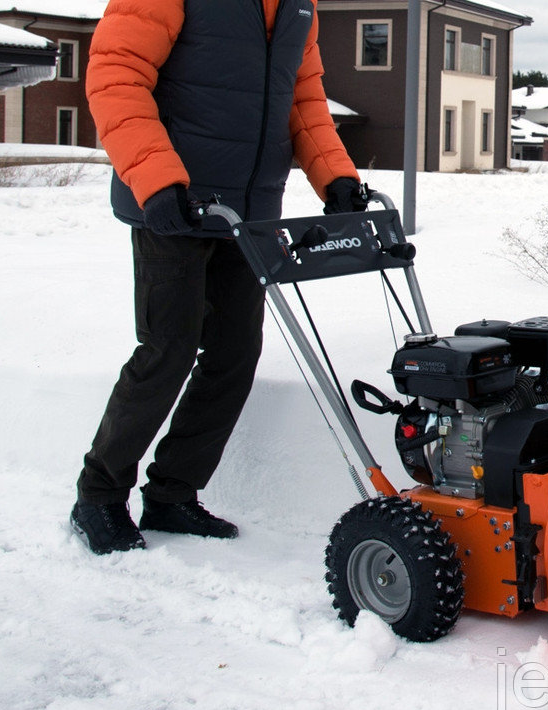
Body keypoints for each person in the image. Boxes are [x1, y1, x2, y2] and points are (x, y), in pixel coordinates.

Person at [70, 0, 368, 554]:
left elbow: (302, 101)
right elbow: (116, 78)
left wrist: (336, 177)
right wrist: (157, 181)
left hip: (247, 213)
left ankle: (172, 494)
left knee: (234, 355)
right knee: (169, 349)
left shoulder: (299, 5)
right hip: (172, 202)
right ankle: (99, 495)